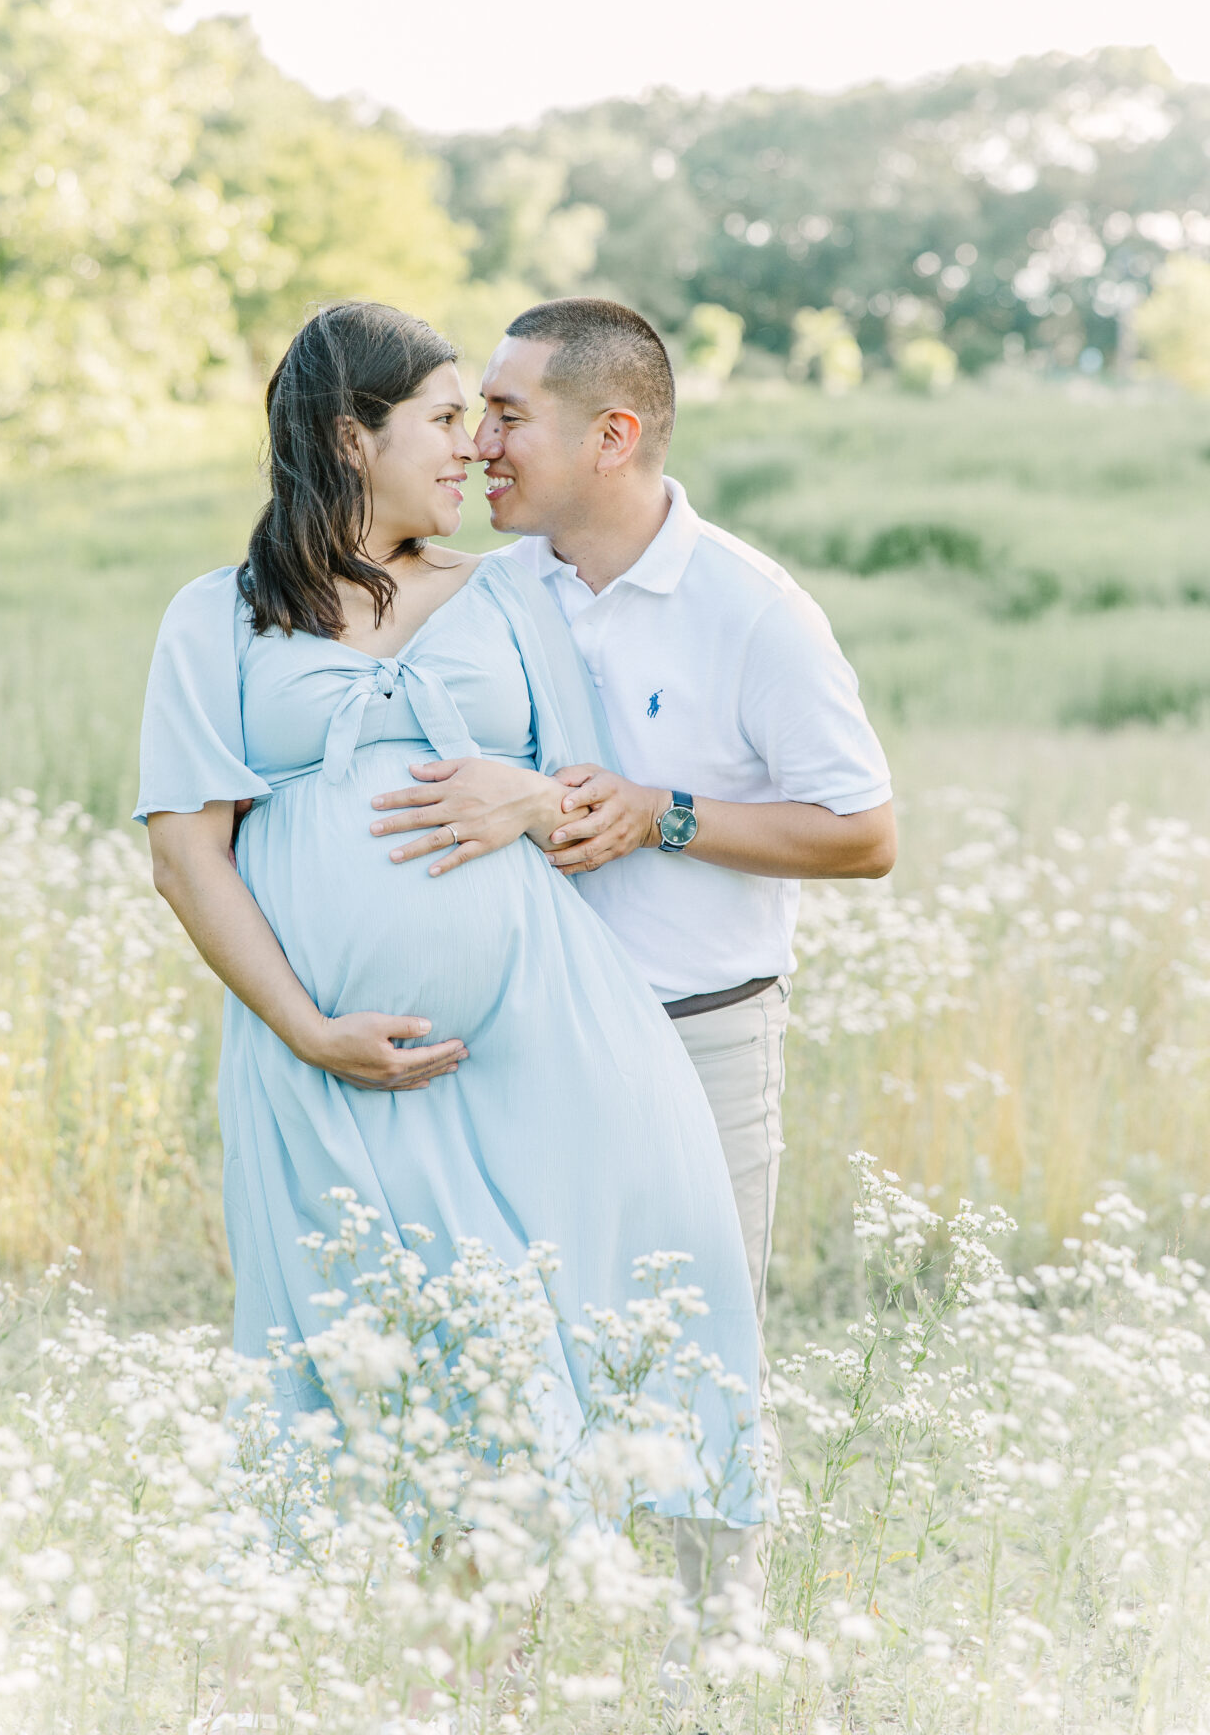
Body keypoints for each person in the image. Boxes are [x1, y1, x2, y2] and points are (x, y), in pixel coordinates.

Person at [135, 300, 769, 1548]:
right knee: (359, 1381)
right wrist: (307, 1028)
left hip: (532, 1051)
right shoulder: (216, 618)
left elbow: (584, 803)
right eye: (440, 418)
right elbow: (184, 855)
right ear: (348, 437)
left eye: (480, 418)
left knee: (551, 1370)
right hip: (319, 1069)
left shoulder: (508, 599)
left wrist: (529, 795)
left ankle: (549, 1665)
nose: (472, 445)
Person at [368, 297, 895, 1668]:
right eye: (471, 412)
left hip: (696, 1042)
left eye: (506, 414)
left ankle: (709, 1675)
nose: (478, 441)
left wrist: (662, 812)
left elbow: (865, 831)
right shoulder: (487, 590)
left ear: (613, 434)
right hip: (518, 1047)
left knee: (696, 1366)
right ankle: (482, 1675)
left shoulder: (753, 611)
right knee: (495, 1360)